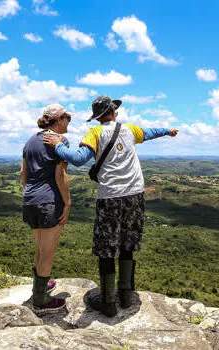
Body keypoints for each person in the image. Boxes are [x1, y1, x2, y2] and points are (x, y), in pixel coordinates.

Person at [43, 95, 178, 317]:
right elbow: (151, 132)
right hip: (135, 194)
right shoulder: (130, 130)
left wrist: (58, 146)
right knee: (128, 241)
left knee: (106, 247)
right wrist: (168, 131)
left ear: (97, 117)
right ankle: (125, 293)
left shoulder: (95, 133)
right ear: (114, 112)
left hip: (110, 197)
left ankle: (108, 301)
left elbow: (78, 159)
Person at [21, 103, 72, 314]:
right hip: (49, 202)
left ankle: (39, 287)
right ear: (58, 120)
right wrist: (67, 203)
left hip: (30, 200)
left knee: (41, 249)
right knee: (48, 253)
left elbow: (23, 175)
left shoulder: (30, 141)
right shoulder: (59, 141)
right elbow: (60, 176)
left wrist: (33, 193)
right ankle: (41, 301)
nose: (69, 121)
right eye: (67, 117)